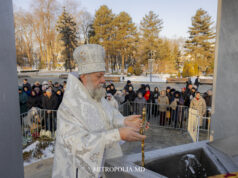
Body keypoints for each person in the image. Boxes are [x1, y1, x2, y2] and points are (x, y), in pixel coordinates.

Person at [52, 44, 147, 178]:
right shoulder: (68, 108)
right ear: (85, 77)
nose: (103, 80)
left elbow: (109, 118)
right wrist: (117, 134)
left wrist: (124, 121)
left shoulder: (97, 95)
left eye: (103, 75)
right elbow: (77, 145)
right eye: (99, 76)